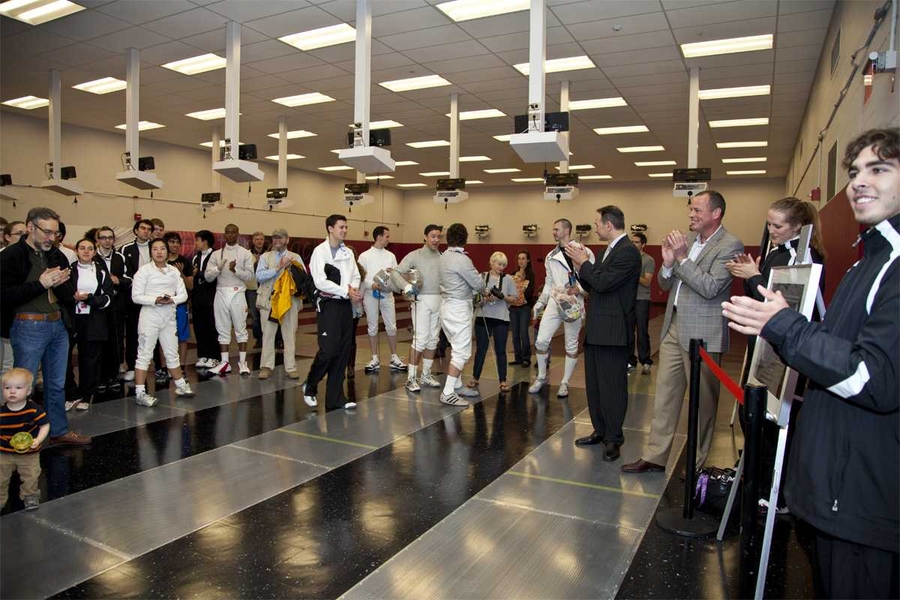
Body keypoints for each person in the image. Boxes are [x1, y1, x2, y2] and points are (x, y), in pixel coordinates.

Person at [722, 128, 899, 600]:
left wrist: (782, 324)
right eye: (856, 171)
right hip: (833, 493)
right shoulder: (868, 261)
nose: (861, 181)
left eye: (879, 169)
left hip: (861, 500)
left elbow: (871, 377)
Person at [622, 190, 743, 474]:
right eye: (690, 210)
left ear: (716, 213)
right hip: (673, 327)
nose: (691, 214)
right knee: (664, 395)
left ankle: (697, 463)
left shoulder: (730, 244)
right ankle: (655, 455)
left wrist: (682, 259)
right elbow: (665, 287)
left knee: (703, 403)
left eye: (698, 210)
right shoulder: (687, 242)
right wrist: (667, 264)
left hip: (703, 333)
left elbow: (711, 287)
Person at [726, 196, 826, 512]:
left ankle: (776, 490)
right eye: (769, 224)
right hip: (764, 344)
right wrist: (752, 276)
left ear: (798, 226)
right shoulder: (777, 252)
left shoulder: (805, 256)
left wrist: (753, 277)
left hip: (781, 350)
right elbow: (759, 297)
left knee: (773, 421)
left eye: (777, 225)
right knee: (752, 414)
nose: (771, 231)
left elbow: (779, 303)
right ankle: (757, 475)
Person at [0, 206, 90, 446]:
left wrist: (61, 284)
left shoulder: (57, 255)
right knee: (22, 386)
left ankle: (58, 429)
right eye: (47, 232)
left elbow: (67, 293)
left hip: (57, 325)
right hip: (28, 326)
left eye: (55, 233)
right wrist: (40, 284)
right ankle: (20, 434)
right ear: (30, 228)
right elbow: (5, 295)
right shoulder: (11, 256)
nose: (52, 238)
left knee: (56, 383)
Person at [567, 206, 641, 461]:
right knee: (595, 386)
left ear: (609, 225)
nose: (594, 226)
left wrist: (584, 263)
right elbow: (591, 284)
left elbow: (603, 282)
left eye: (597, 222)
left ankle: (614, 438)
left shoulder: (628, 252)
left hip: (613, 330)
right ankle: (600, 429)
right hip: (597, 327)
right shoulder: (605, 251)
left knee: (612, 387)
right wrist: (581, 267)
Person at [529, 219, 594, 398]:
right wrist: (539, 303)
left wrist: (580, 290)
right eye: (553, 229)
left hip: (574, 302)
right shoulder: (551, 256)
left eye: (556, 229)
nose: (554, 232)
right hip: (555, 300)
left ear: (566, 230)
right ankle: (541, 377)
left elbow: (592, 276)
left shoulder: (584, 251)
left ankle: (565, 382)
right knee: (541, 340)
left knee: (571, 344)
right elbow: (549, 283)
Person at [302, 214, 361, 410]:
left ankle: (335, 399)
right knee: (328, 350)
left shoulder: (347, 252)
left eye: (346, 227)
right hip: (329, 305)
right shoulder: (320, 252)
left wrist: (352, 288)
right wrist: (346, 291)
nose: (344, 230)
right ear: (330, 228)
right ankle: (310, 385)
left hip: (345, 305)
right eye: (341, 227)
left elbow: (356, 274)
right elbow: (319, 281)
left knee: (343, 351)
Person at [131, 239, 195, 406]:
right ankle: (140, 392)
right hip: (149, 317)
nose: (159, 252)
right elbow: (136, 296)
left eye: (162, 249)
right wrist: (155, 299)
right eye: (155, 249)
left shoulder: (173, 272)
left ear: (167, 252)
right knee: (145, 354)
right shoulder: (143, 271)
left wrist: (170, 299)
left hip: (169, 317)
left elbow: (183, 295)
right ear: (150, 252)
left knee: (172, 353)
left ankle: (180, 385)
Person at [58, 238, 114, 412]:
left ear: (95, 251)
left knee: (90, 359)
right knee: (64, 358)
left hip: (94, 320)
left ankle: (85, 395)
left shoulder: (101, 272)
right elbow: (60, 294)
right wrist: (72, 298)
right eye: (82, 248)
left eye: (90, 248)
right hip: (71, 320)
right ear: (76, 250)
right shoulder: (68, 271)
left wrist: (89, 299)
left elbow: (108, 298)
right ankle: (70, 393)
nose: (86, 251)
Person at [439, 223, 487, 407]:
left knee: (455, 346)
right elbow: (478, 284)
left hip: (447, 306)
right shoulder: (462, 260)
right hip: (458, 308)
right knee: (462, 352)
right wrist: (484, 288)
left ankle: (457, 386)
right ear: (465, 238)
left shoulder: (443, 256)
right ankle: (448, 391)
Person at [396, 224, 444, 393]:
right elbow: (396, 272)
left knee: (433, 339)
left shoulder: (442, 257)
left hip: (439, 301)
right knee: (420, 339)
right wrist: (406, 286)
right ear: (425, 237)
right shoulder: (414, 256)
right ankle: (411, 378)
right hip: (421, 301)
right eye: (433, 236)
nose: (436, 239)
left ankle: (426, 374)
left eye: (439, 236)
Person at [255, 228, 304, 380]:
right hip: (269, 301)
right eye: (274, 238)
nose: (277, 241)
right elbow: (259, 276)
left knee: (289, 335)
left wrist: (290, 268)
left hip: (289, 302)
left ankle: (291, 367)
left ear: (287, 240)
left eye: (280, 238)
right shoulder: (265, 257)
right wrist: (277, 269)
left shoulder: (295, 257)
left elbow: (303, 279)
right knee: (268, 335)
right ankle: (266, 366)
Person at [205, 224, 254, 377]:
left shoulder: (245, 253)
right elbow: (207, 277)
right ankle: (224, 362)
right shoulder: (216, 255)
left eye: (233, 232)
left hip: (238, 292)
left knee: (240, 328)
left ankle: (242, 362)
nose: (230, 235)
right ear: (224, 235)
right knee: (222, 328)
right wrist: (217, 269)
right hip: (221, 292)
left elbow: (250, 276)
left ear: (237, 234)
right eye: (227, 232)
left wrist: (236, 270)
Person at [358, 226, 407, 374]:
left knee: (391, 326)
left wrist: (394, 275)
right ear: (379, 237)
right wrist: (371, 284)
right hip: (370, 295)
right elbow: (361, 276)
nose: (388, 239)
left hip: (387, 294)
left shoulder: (390, 256)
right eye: (386, 236)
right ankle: (374, 358)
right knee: (372, 326)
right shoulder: (364, 256)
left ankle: (394, 357)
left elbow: (396, 274)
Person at [0, 368, 50, 511]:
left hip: (29, 452)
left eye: (18, 388)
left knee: (31, 476)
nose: (12, 391)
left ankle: (30, 496)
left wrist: (38, 440)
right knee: (0, 479)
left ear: (28, 391)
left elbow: (45, 425)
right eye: (7, 388)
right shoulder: (2, 411)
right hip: (4, 452)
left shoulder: (33, 410)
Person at [469, 252, 518, 393]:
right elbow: (474, 297)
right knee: (481, 349)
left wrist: (502, 297)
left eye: (503, 265)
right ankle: (475, 377)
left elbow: (514, 299)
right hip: (483, 317)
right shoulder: (482, 277)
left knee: (500, 350)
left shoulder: (508, 279)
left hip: (501, 318)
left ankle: (503, 380)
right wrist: (485, 299)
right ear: (492, 263)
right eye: (499, 264)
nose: (501, 267)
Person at [94, 226, 128, 392]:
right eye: (103, 237)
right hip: (98, 307)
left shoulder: (120, 257)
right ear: (98, 240)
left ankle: (113, 375)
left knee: (116, 341)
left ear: (114, 240)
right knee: (100, 341)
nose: (107, 240)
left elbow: (130, 279)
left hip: (117, 306)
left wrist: (118, 280)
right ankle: (99, 377)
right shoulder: (92, 257)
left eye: (110, 237)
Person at [120, 219, 154, 381]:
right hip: (134, 298)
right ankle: (133, 366)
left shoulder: (156, 248)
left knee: (152, 331)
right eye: (143, 228)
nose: (145, 231)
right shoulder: (126, 249)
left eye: (149, 229)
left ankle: (152, 364)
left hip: (153, 297)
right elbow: (124, 274)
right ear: (136, 231)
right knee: (133, 332)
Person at [164, 232, 194, 369]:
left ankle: (181, 366)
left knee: (182, 336)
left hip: (180, 304)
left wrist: (180, 273)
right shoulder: (160, 261)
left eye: (177, 242)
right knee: (163, 336)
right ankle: (165, 367)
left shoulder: (185, 262)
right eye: (172, 242)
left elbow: (190, 285)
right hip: (163, 304)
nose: (175, 245)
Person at [191, 230, 220, 370]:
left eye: (197, 240)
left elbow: (214, 274)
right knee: (199, 327)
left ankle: (215, 357)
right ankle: (202, 355)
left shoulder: (216, 255)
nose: (195, 243)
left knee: (211, 328)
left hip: (211, 297)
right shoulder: (195, 257)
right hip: (197, 298)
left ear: (205, 241)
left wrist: (200, 274)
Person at [627, 232, 655, 375]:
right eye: (632, 241)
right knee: (629, 332)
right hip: (628, 299)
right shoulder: (627, 258)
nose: (633, 244)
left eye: (637, 242)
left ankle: (645, 361)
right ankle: (631, 361)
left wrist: (633, 273)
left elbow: (647, 281)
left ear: (643, 244)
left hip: (642, 299)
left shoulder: (648, 260)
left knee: (642, 331)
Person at [1, 221, 26, 375]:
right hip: (6, 319)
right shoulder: (3, 257)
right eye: (19, 234)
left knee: (22, 364)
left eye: (26, 234)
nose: (24, 237)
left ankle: (22, 397)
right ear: (7, 237)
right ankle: (5, 399)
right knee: (7, 365)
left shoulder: (30, 258)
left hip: (26, 320)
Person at [509, 250, 535, 367]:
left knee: (524, 333)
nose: (521, 261)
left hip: (524, 307)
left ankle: (526, 358)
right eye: (519, 258)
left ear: (528, 260)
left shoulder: (531, 274)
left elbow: (530, 292)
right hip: (513, 308)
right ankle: (518, 358)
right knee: (515, 334)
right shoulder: (513, 273)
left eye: (523, 258)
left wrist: (521, 284)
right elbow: (509, 289)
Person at [247, 231, 267, 348]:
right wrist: (255, 262)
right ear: (253, 241)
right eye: (257, 239)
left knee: (269, 314)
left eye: (261, 239)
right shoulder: (248, 255)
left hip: (266, 288)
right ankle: (259, 338)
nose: (259, 241)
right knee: (255, 316)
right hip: (252, 288)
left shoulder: (269, 253)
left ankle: (275, 339)